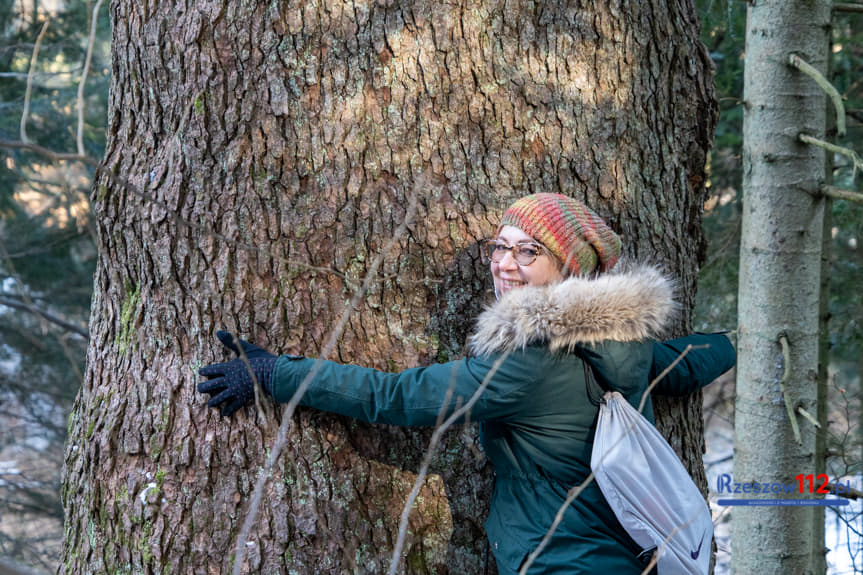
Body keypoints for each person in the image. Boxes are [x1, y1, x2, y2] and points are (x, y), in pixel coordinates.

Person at [197, 193, 736, 574]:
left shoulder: (529, 365)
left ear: (570, 267)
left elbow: (396, 397)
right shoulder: (625, 343)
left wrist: (274, 373)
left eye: (529, 251)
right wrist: (734, 343)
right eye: (500, 245)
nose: (504, 263)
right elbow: (681, 363)